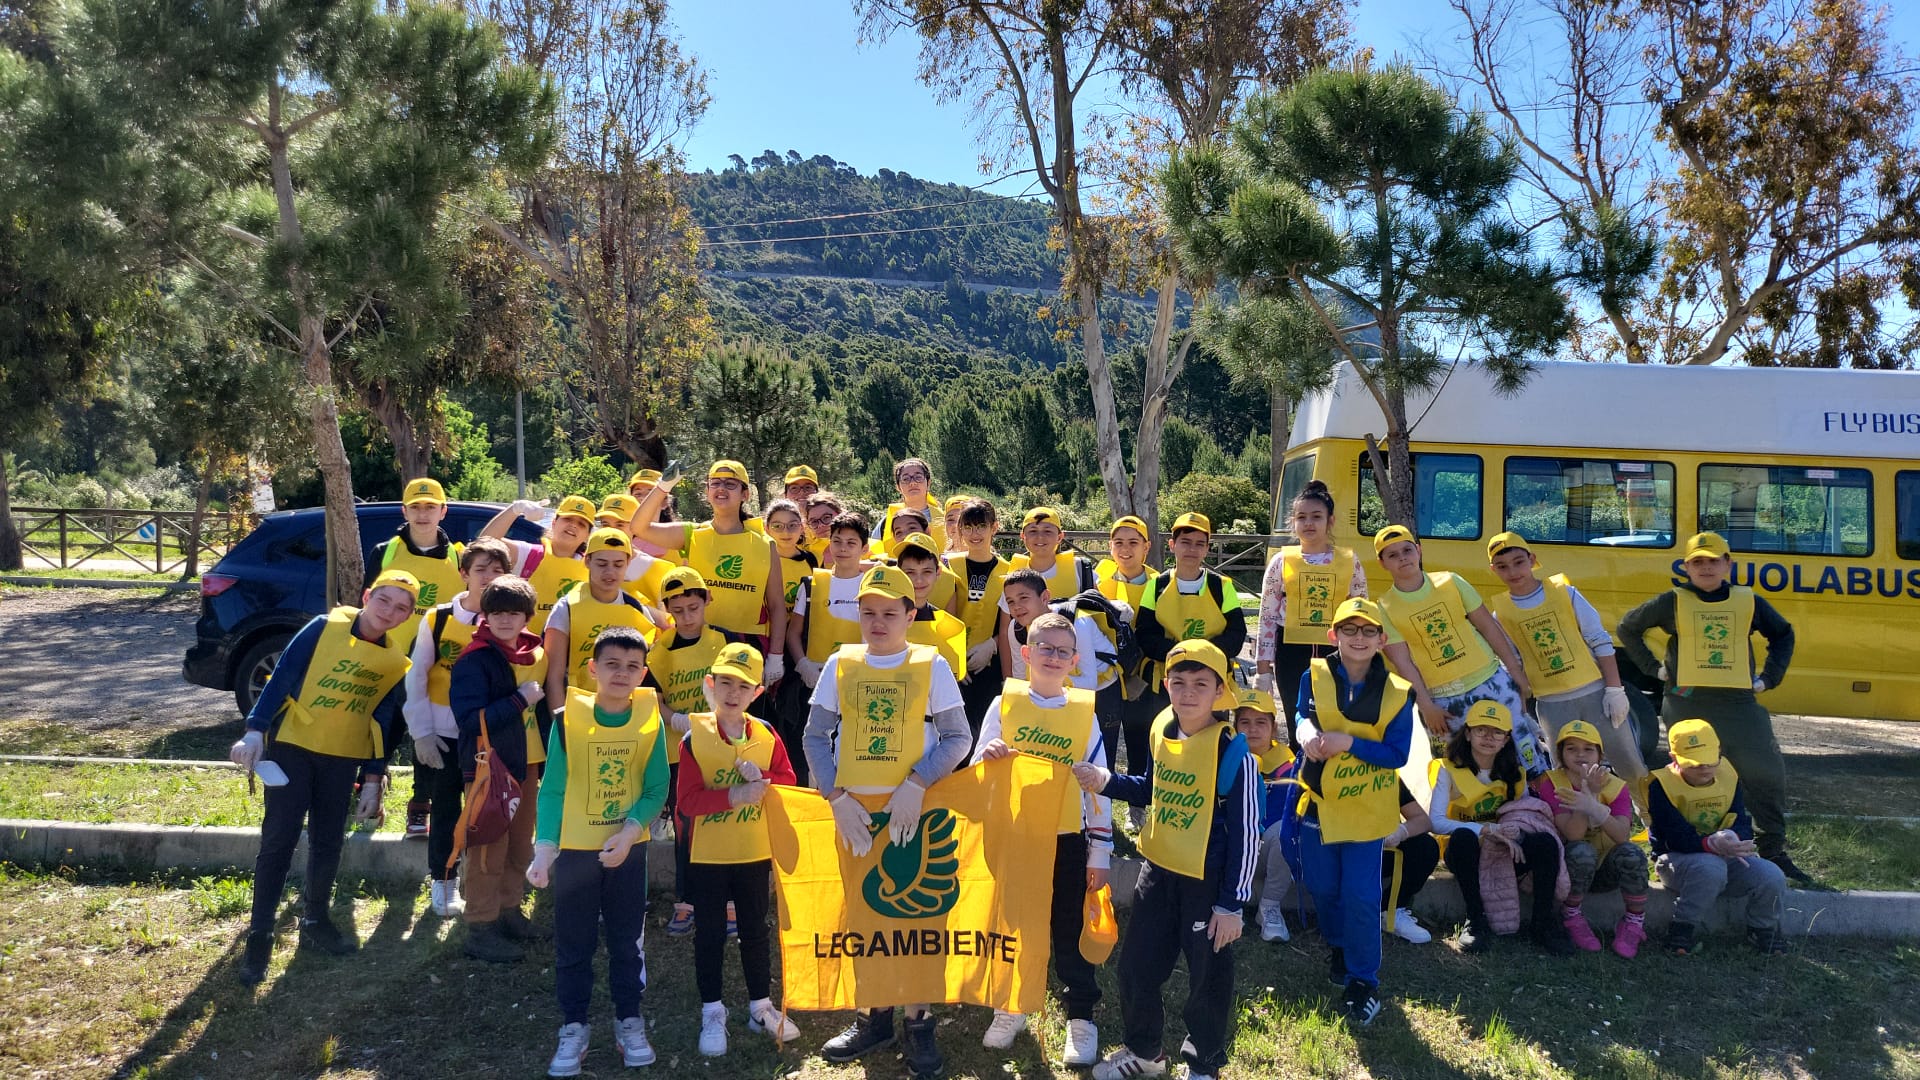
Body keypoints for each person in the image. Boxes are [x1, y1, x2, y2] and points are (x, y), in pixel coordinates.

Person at [803, 565, 973, 1080]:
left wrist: (917, 784)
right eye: (868, 612)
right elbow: (814, 737)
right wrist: (834, 796)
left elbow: (958, 738)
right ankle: (872, 1016)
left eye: (889, 613)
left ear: (910, 614)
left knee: (918, 917)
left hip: (912, 809)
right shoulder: (840, 662)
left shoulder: (931, 664)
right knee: (864, 915)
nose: (877, 623)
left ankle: (919, 1023)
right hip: (855, 811)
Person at [1072, 640, 1258, 1080]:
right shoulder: (1161, 727)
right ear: (1166, 685)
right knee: (1136, 968)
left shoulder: (1234, 754)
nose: (1188, 692)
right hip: (1156, 873)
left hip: (1208, 884)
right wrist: (1106, 781)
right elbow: (1153, 789)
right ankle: (1145, 1053)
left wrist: (1231, 904)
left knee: (1207, 981)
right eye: (1178, 682)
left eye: (1201, 684)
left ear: (1220, 691)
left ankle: (1204, 1064)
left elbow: (1247, 834)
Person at [228, 570, 418, 985]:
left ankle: (315, 920)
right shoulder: (322, 627)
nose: (390, 611)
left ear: (408, 616)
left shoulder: (393, 659)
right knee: (279, 839)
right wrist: (256, 728)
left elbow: (384, 719)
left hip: (342, 757)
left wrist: (374, 776)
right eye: (384, 600)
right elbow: (282, 676)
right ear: (368, 596)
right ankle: (259, 936)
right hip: (293, 746)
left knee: (328, 840)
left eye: (402, 607)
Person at [1617, 531, 1804, 883]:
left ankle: (1772, 850)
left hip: (1739, 703)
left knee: (1765, 773)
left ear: (1727, 564)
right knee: (1688, 779)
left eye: (1714, 560)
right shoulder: (1671, 601)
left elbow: (1783, 635)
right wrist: (1654, 669)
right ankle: (1675, 848)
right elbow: (1628, 628)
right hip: (1687, 701)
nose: (1706, 567)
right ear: (1686, 567)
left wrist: (1768, 678)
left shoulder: (1748, 600)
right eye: (1698, 561)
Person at [525, 626, 670, 1077]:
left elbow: (657, 786)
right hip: (575, 852)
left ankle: (629, 1019)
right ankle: (574, 1025)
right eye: (612, 664)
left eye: (632, 667)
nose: (622, 674)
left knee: (627, 941)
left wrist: (629, 833)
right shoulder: (568, 719)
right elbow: (552, 789)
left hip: (628, 850)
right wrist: (544, 849)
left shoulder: (651, 718)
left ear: (643, 672)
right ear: (592, 669)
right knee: (574, 943)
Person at [970, 612, 1113, 1067]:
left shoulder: (1083, 713)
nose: (1053, 657)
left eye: (1062, 651)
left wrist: (1102, 850)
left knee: (1068, 928)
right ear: (1026, 654)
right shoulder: (1003, 704)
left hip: (1067, 837)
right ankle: (1008, 1007)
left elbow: (1099, 788)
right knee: (1011, 924)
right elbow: (976, 770)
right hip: (1013, 835)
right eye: (1044, 648)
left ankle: (1081, 1016)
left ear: (1074, 660)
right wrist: (987, 758)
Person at [673, 642, 803, 1056]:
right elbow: (687, 802)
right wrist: (733, 795)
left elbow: (789, 782)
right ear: (710, 685)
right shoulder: (695, 739)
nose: (732, 692)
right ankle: (712, 1009)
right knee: (710, 932)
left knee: (754, 928)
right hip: (709, 855)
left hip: (751, 851)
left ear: (756, 693)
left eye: (742, 686)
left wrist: (761, 777)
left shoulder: (766, 735)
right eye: (725, 682)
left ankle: (759, 1005)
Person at [1291, 598, 1415, 1025]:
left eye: (1367, 631)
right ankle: (1340, 945)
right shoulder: (1314, 674)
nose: (1358, 638)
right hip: (1320, 803)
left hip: (1367, 806)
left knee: (1362, 895)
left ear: (1382, 639)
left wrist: (1348, 743)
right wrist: (1305, 731)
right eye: (1349, 629)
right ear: (1334, 636)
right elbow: (1299, 713)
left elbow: (1397, 754)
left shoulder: (1399, 692)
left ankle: (1365, 980)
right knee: (1323, 887)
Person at [1372, 525, 1548, 776]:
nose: (1402, 558)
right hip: (1444, 700)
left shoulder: (1451, 581)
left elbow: (1489, 627)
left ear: (1419, 551)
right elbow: (1404, 663)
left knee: (1522, 748)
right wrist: (1425, 706)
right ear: (1382, 563)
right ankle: (1472, 814)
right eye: (1392, 555)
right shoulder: (1385, 607)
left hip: (1491, 682)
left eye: (1407, 550)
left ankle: (1539, 807)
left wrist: (1516, 673)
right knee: (1461, 768)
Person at [1484, 531, 1647, 795]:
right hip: (1552, 705)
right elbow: (1512, 665)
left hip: (1595, 694)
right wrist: (1522, 713)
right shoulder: (1500, 614)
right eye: (1502, 567)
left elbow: (1599, 640)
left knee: (1630, 764)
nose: (1512, 571)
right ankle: (1576, 831)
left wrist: (1615, 689)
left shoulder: (1565, 593)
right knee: (1563, 773)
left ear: (1532, 559)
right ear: (1494, 570)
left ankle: (1653, 826)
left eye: (1518, 562)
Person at [402, 536, 515, 915]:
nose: (488, 578)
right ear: (464, 573)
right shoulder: (438, 619)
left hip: (490, 735)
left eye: (497, 571)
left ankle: (483, 884)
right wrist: (422, 733)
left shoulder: (507, 618)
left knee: (489, 811)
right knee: (448, 808)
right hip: (445, 734)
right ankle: (444, 879)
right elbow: (416, 678)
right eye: (480, 570)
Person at [643, 566, 750, 937]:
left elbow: (744, 688)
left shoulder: (727, 641)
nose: (686, 617)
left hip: (727, 746)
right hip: (681, 751)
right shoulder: (660, 650)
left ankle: (731, 904)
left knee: (729, 823)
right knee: (688, 827)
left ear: (706, 601)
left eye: (693, 607)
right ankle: (686, 902)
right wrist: (676, 721)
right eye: (678, 609)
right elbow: (654, 701)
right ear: (668, 609)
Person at [448, 575, 549, 963]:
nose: (505, 620)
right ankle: (480, 925)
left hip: (527, 764)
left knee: (520, 845)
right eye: (497, 613)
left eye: (514, 613)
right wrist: (518, 700)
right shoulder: (475, 659)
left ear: (527, 616)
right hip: (489, 770)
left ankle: (509, 912)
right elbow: (470, 721)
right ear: (485, 615)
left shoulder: (534, 653)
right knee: (489, 849)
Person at [1429, 701, 1575, 955]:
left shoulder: (1515, 774)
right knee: (1463, 836)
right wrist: (1486, 830)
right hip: (1466, 852)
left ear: (1507, 739)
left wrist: (1514, 834)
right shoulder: (1447, 769)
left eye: (1497, 732)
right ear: (1467, 733)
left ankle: (1543, 923)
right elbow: (1436, 821)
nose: (1489, 737)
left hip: (1503, 849)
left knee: (1545, 843)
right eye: (1481, 729)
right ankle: (1475, 920)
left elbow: (1519, 815)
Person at [629, 461, 789, 674]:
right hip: (697, 640)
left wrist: (776, 657)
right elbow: (638, 527)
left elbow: (777, 606)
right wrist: (663, 486)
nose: (721, 488)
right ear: (707, 491)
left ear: (745, 494)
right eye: (715, 483)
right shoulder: (692, 534)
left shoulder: (765, 544)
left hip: (746, 646)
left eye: (731, 484)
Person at [372, 478, 465, 841]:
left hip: (438, 666)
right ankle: (368, 786)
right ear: (404, 511)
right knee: (382, 731)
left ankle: (419, 807)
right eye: (416, 507)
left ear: (443, 510)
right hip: (389, 661)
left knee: (428, 735)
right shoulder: (385, 550)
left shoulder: (460, 555)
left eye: (431, 507)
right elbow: (365, 603)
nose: (423, 514)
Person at [1647, 718, 1789, 956]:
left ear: (1719, 751)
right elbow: (1673, 835)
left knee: (1771, 875)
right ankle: (1681, 928)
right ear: (1673, 757)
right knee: (1710, 867)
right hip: (1677, 859)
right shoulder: (1660, 785)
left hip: (1726, 856)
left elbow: (1742, 820)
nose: (1704, 768)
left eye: (1710, 761)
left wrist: (1734, 837)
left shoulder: (1729, 775)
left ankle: (1762, 929)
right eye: (1694, 764)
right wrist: (1710, 843)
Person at [1255, 481, 1367, 749]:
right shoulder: (1281, 562)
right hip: (1291, 649)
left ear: (1330, 521)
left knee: (1337, 716)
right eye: (1301, 517)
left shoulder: (1349, 561)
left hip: (1337, 650)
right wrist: (1263, 668)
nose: (1309, 523)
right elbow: (1268, 615)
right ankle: (1299, 778)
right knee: (1299, 717)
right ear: (1293, 522)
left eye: (1316, 516)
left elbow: (1362, 612)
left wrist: (1363, 655)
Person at [1537, 720, 1650, 957]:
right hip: (1570, 872)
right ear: (1560, 753)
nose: (1580, 755)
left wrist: (1596, 806)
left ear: (1600, 754)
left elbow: (1621, 836)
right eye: (1571, 748)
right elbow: (1574, 834)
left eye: (1588, 749)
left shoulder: (1617, 786)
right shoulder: (1551, 782)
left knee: (1632, 854)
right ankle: (1571, 915)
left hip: (1605, 869)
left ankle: (1633, 922)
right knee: (1581, 850)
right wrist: (1587, 797)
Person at [1001, 568, 1123, 762]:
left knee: (1100, 761)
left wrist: (1047, 683)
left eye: (1023, 598)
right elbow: (1020, 677)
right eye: (1010, 602)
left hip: (1103, 692)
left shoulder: (1077, 623)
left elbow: (1089, 682)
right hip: (1057, 690)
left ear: (1045, 597)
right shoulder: (1015, 629)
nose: (1016, 607)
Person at [1135, 514, 1248, 700]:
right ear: (1172, 545)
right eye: (1185, 542)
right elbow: (1145, 634)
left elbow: (1236, 634)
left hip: (1212, 682)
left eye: (1199, 544)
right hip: (1168, 681)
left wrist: (1202, 655)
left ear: (1207, 549)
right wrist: (1181, 655)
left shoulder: (1222, 586)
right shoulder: (1155, 586)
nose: (1192, 549)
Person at [542, 528, 652, 709]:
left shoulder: (637, 610)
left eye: (618, 564)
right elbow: (553, 677)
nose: (610, 572)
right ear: (587, 561)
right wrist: (562, 726)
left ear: (628, 563)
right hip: (577, 710)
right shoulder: (566, 608)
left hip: (622, 715)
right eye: (602, 564)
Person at [1098, 515, 1164, 781]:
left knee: (1140, 735)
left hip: (1144, 674)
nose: (1125, 550)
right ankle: (1102, 795)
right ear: (1110, 546)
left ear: (1146, 547)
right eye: (1119, 542)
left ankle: (1137, 800)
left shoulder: (1160, 583)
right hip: (1107, 674)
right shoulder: (1097, 579)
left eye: (1133, 543)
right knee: (1105, 737)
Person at [1232, 687, 1296, 944]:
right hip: (1231, 847)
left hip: (1264, 849)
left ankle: (1269, 908)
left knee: (1285, 832)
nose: (1253, 729)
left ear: (1273, 728)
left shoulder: (1287, 763)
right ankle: (1229, 904)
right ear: (1234, 727)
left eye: (1261, 722)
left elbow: (1282, 814)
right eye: (1244, 722)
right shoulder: (1225, 756)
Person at [480, 495, 598, 633]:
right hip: (523, 649)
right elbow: (485, 542)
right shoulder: (529, 554)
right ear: (554, 523)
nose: (573, 525)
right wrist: (514, 509)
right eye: (568, 519)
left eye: (581, 524)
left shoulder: (592, 567)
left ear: (588, 535)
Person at [948, 497, 1010, 729]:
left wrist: (991, 645)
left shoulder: (1009, 570)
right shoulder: (948, 566)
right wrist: (954, 660)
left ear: (994, 527)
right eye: (968, 527)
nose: (975, 533)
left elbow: (1012, 623)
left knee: (986, 730)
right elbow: (942, 617)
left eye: (981, 526)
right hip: (955, 665)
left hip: (990, 663)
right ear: (960, 530)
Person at [893, 533, 969, 676]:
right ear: (899, 572)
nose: (919, 580)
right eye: (910, 572)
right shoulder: (882, 620)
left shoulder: (951, 628)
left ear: (938, 572)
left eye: (926, 572)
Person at [1007, 505, 1097, 600]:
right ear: (1023, 537)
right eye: (1033, 531)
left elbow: (1100, 608)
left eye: (1047, 531)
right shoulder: (1012, 573)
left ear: (1059, 537)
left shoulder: (1080, 569)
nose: (1040, 537)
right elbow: (1007, 613)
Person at [871, 457, 944, 556]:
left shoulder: (945, 519)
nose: (912, 483)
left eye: (918, 477)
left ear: (928, 482)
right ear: (898, 487)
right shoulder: (886, 522)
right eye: (906, 479)